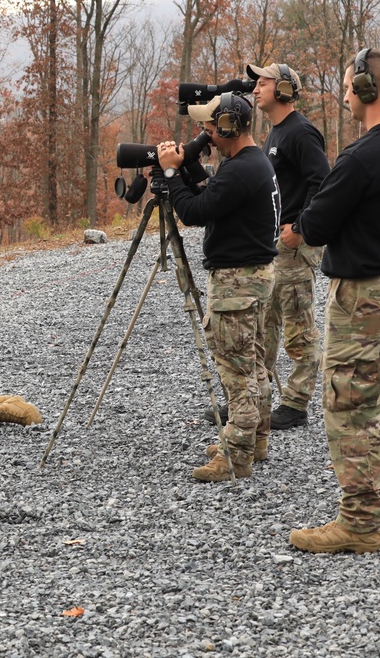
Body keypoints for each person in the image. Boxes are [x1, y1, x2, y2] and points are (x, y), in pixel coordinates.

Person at [285, 49, 380, 554]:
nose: (345, 95)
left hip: (364, 297)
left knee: (350, 403)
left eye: (348, 86)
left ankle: (360, 521)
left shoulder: (363, 155)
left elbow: (315, 225)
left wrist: (294, 228)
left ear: (366, 89)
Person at [157, 93, 279, 482]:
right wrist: (188, 167)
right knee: (254, 364)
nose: (205, 134)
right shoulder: (250, 163)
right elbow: (214, 198)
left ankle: (235, 457)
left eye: (210, 127)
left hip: (237, 283)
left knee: (237, 372)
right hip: (255, 278)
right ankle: (254, 440)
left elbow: (194, 212)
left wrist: (172, 174)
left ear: (228, 126)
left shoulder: (241, 170)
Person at [204, 63, 330, 432]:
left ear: (286, 90)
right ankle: (252, 403)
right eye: (256, 84)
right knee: (265, 326)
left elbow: (322, 182)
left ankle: (296, 402)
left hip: (294, 246)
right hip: (277, 244)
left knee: (298, 327)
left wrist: (301, 229)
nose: (255, 89)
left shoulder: (301, 133)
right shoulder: (276, 132)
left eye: (263, 83)